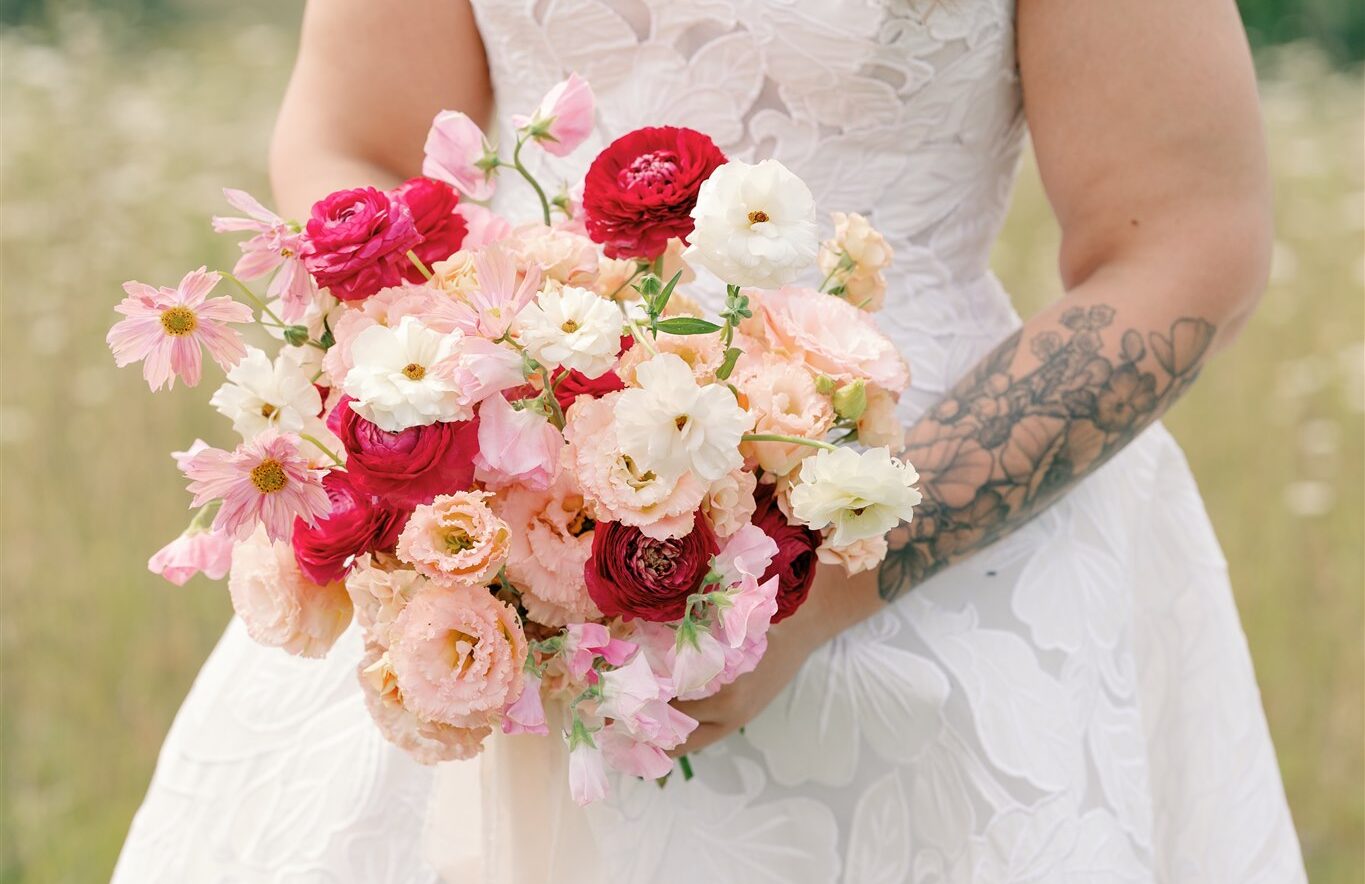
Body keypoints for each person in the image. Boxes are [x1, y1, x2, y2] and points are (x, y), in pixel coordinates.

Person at [115, 1, 1308, 881]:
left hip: (917, 509)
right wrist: (469, 408)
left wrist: (830, 583)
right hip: (505, 507)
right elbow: (357, 142)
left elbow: (1184, 238)